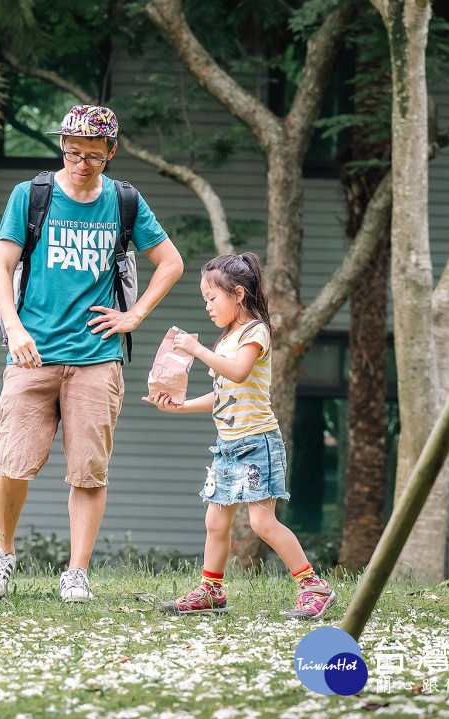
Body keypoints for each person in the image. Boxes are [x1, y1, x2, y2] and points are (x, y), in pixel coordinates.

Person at [0, 104, 184, 603]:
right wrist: (14, 328)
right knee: (11, 462)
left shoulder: (124, 202)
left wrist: (134, 316)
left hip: (97, 357)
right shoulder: (30, 196)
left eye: (92, 155)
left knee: (89, 470)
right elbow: (1, 267)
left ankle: (76, 572)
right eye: (72, 152)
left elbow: (171, 262)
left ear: (110, 153)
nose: (80, 163)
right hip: (32, 354)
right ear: (62, 146)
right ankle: (2, 553)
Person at [144, 252, 337, 620]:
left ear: (237, 294)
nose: (207, 306)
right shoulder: (226, 339)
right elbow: (223, 393)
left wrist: (197, 350)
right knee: (215, 521)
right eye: (204, 300)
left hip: (257, 443)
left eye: (211, 298)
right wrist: (178, 406)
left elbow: (238, 372)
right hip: (227, 447)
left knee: (263, 523)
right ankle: (211, 591)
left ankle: (315, 587)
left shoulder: (256, 332)